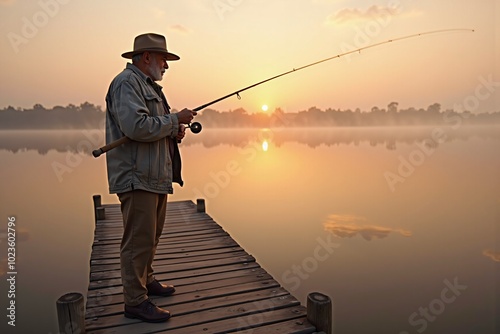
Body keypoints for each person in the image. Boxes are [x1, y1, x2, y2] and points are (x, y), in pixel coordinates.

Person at [104, 33, 196, 323]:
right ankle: (134, 301)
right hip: (137, 176)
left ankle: (146, 280)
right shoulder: (126, 83)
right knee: (137, 240)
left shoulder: (149, 86)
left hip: (154, 175)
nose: (166, 66)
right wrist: (174, 120)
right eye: (163, 60)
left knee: (151, 236)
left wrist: (173, 130)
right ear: (146, 58)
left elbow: (153, 127)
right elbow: (136, 126)